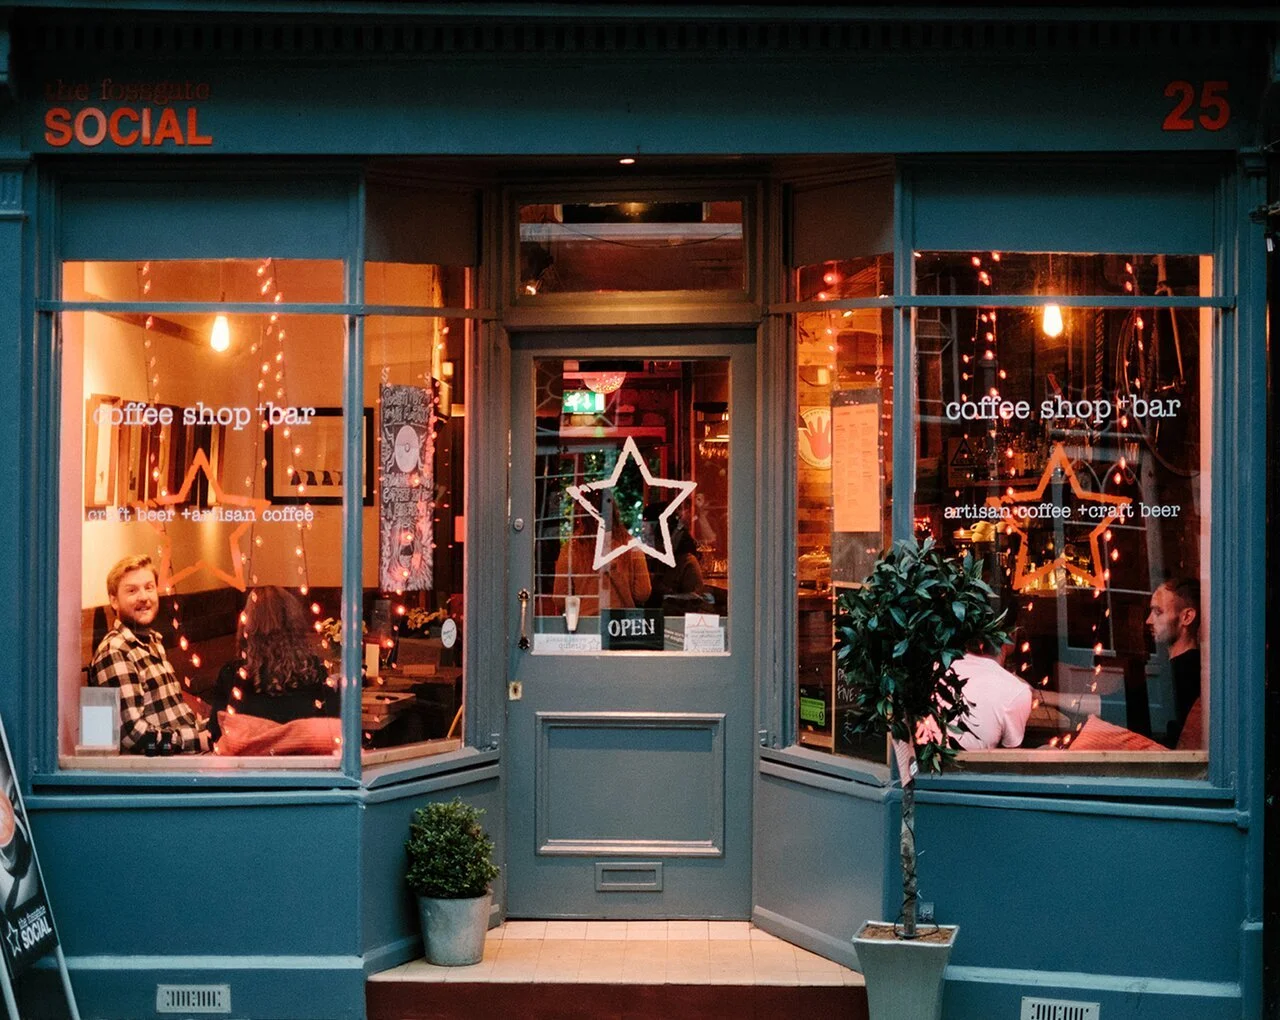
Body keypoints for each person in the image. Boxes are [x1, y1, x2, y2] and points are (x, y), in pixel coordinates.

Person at [89, 554, 212, 754]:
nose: (144, 597)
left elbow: (173, 718)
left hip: (188, 756)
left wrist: (211, 728)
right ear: (114, 600)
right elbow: (133, 736)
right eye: (132, 590)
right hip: (165, 772)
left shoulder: (152, 642)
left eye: (149, 587)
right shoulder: (115, 651)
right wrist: (198, 740)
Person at [208, 586, 338, 742]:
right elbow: (334, 729)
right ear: (294, 625)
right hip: (305, 762)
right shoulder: (314, 670)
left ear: (247, 627)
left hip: (248, 764)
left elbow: (215, 736)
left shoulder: (233, 675)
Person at [553, 507, 651, 617]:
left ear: (582, 516)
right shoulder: (632, 546)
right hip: (621, 623)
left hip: (586, 624)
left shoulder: (571, 549)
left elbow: (560, 599)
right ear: (615, 514)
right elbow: (643, 593)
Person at [1146, 577, 1201, 747]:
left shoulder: (1184, 672)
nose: (1148, 620)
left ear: (1187, 617)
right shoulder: (1181, 668)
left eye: (1158, 612)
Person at [951, 638, 1033, 750]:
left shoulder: (938, 667)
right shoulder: (1016, 690)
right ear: (1010, 636)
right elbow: (1011, 760)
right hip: (970, 766)